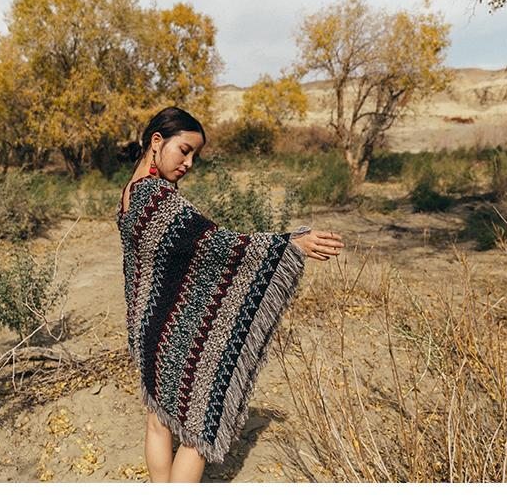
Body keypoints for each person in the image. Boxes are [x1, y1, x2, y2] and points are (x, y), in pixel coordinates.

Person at [115, 106, 344, 483]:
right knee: (199, 431)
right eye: (184, 150)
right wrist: (289, 244)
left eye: (195, 156)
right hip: (173, 331)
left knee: (158, 420)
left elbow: (161, 265)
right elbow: (217, 245)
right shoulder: (156, 196)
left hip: (146, 328)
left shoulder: (129, 192)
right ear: (157, 142)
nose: (189, 162)